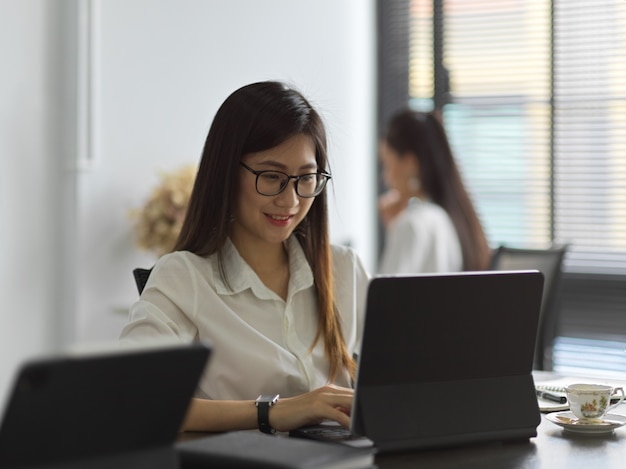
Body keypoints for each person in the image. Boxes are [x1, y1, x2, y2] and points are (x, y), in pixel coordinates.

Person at [120, 81, 370, 434]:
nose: (291, 201)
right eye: (271, 177)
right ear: (226, 172)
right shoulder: (184, 278)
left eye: (306, 178)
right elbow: (134, 400)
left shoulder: (345, 269)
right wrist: (272, 412)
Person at [378, 109, 490, 274]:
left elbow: (381, 296)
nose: (385, 177)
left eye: (387, 164)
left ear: (410, 163)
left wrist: (397, 229)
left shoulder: (411, 223)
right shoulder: (452, 218)